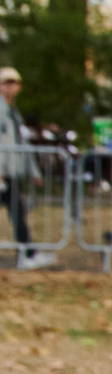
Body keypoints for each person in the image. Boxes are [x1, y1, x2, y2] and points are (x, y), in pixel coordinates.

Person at [0, 66, 42, 266]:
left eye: (14, 82)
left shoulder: (13, 112)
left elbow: (21, 144)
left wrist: (34, 170)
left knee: (18, 212)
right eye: (6, 82)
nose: (10, 86)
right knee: (18, 212)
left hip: (11, 173)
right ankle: (28, 254)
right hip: (2, 173)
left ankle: (28, 254)